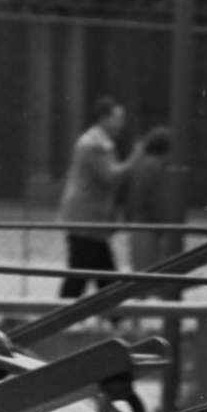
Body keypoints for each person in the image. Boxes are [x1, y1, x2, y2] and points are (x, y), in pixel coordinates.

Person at [57, 97, 143, 299]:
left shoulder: (99, 142)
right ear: (103, 118)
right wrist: (135, 158)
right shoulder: (94, 145)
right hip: (86, 219)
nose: (122, 123)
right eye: (118, 118)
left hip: (90, 220)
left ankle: (112, 316)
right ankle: (60, 317)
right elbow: (111, 177)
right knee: (85, 273)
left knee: (96, 272)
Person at [121, 126, 171, 277]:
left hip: (137, 222)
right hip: (149, 224)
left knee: (140, 272)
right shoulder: (155, 167)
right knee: (150, 273)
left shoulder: (141, 165)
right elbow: (157, 199)